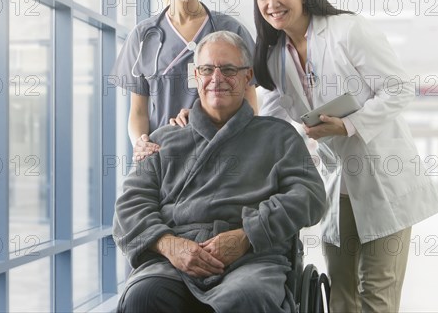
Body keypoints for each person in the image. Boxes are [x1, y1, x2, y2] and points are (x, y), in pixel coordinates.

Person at [250, 0, 438, 312]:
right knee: (341, 293)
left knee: (378, 294)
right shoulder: (275, 56)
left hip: (385, 179)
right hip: (338, 184)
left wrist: (349, 124)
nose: (272, 4)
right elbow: (269, 123)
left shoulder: (348, 30)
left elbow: (399, 88)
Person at [113, 31, 327, 313]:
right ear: (195, 76)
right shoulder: (163, 140)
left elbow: (310, 195)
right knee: (142, 296)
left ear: (247, 76)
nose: (217, 79)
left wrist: (248, 234)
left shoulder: (279, 136)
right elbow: (130, 206)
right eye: (207, 69)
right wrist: (169, 245)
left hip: (253, 258)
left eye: (228, 69)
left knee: (247, 298)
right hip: (173, 261)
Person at [111, 0, 257, 152]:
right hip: (164, 156)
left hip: (221, 154)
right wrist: (140, 144)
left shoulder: (231, 30)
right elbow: (139, 111)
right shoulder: (144, 36)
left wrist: (244, 148)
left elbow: (250, 101)